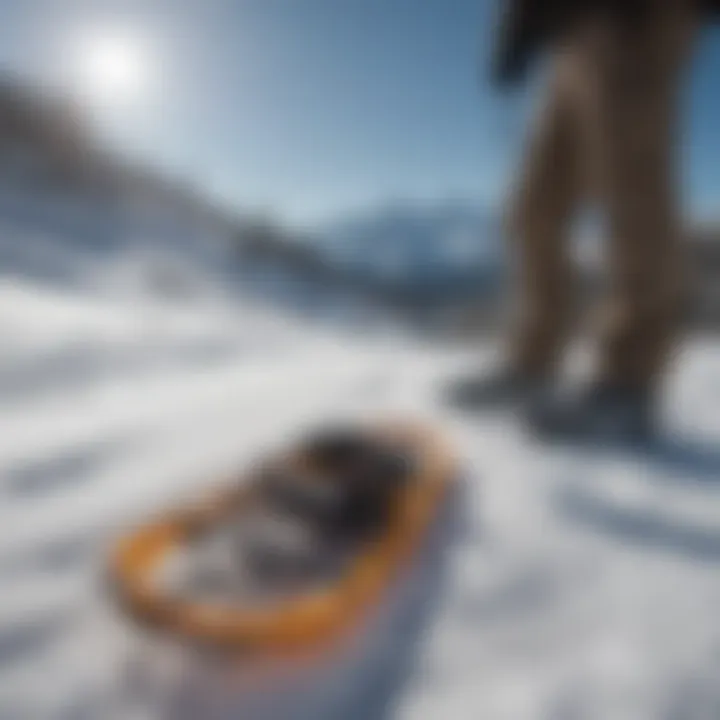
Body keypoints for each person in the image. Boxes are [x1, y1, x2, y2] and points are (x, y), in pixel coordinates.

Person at [454, 0, 714, 441]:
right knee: (535, 207)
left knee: (633, 192)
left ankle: (628, 385)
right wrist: (519, 25)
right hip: (566, 29)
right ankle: (533, 362)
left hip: (638, 19)